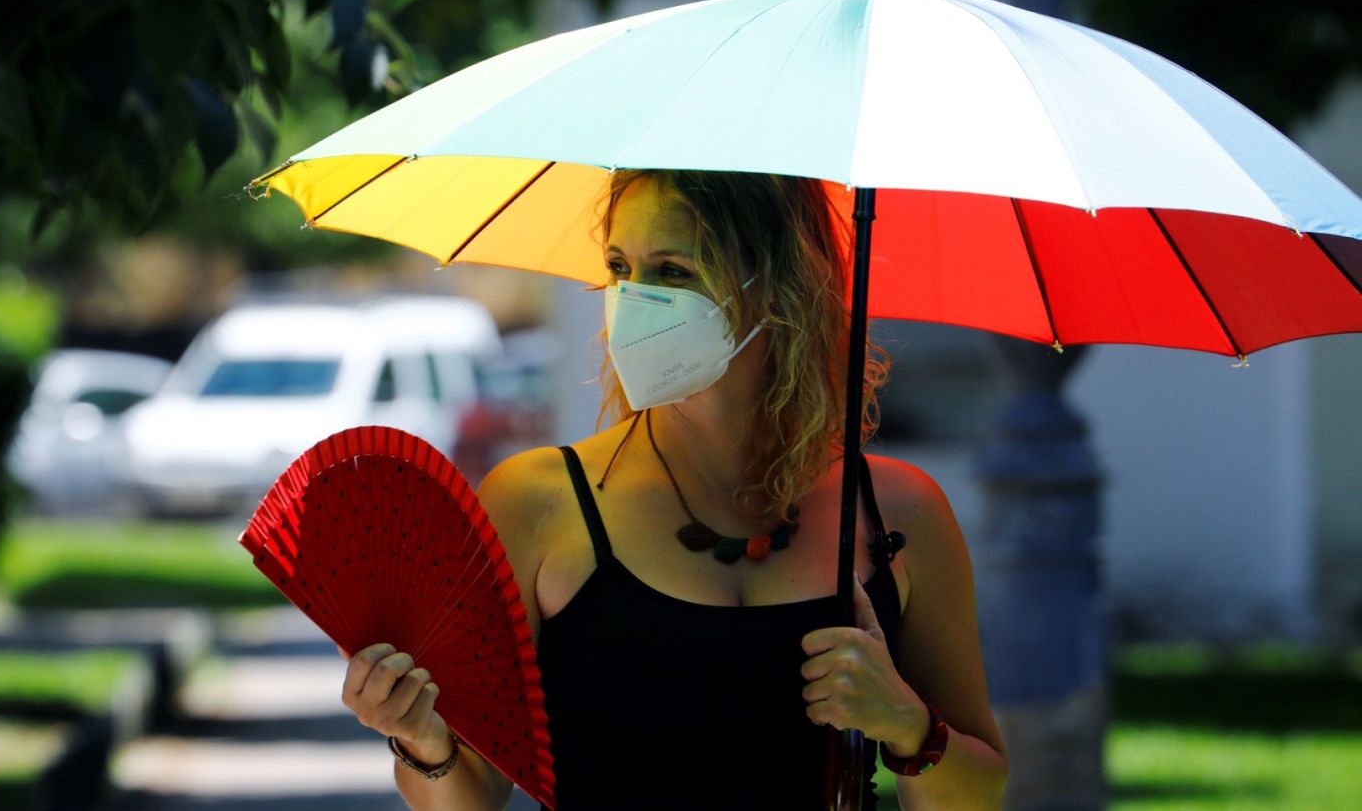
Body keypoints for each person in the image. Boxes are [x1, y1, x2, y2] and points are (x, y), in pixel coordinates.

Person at [340, 170, 1009, 809]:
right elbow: (469, 797)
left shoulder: (896, 511)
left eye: (674, 272)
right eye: (619, 267)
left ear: (776, 288)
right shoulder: (541, 499)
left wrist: (907, 722)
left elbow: (979, 794)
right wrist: (420, 739)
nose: (632, 299)